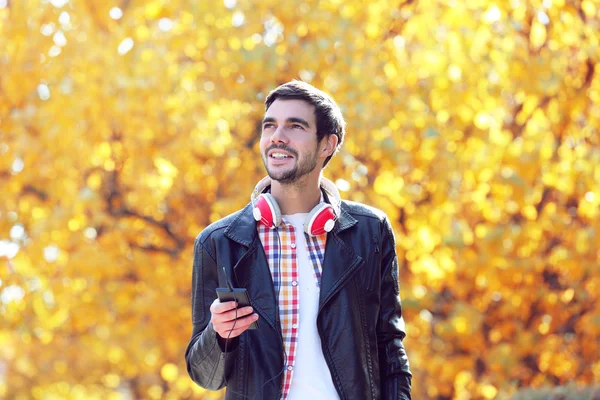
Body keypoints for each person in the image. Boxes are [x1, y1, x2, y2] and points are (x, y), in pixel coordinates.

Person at [185, 80, 412, 399]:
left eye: (295, 126)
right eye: (270, 126)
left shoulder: (369, 231)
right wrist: (219, 335)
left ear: (326, 145)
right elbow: (205, 377)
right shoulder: (219, 242)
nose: (277, 136)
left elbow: (390, 348)